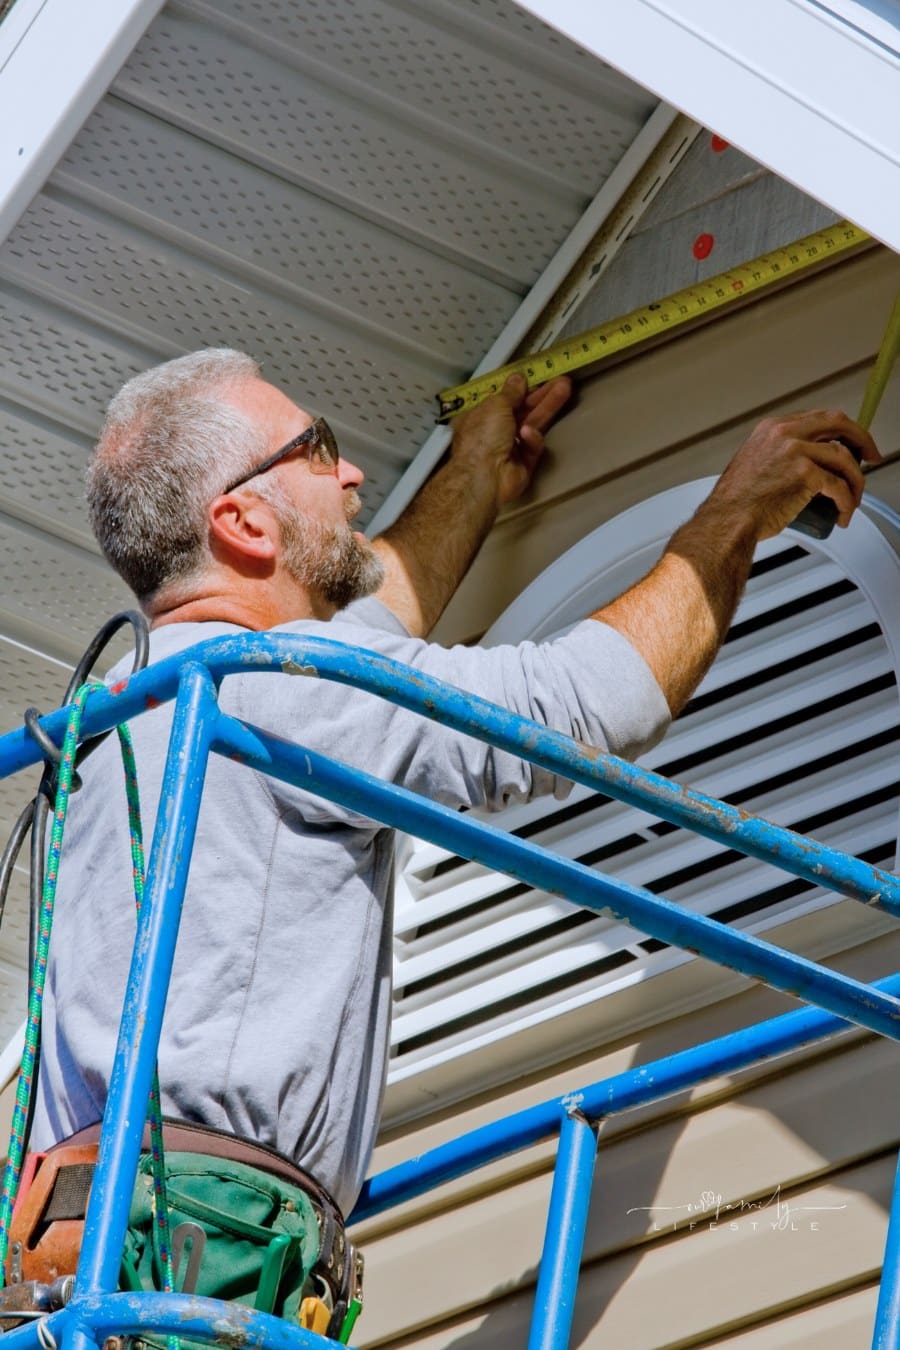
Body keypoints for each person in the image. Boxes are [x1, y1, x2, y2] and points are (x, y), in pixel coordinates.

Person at [26, 349, 878, 1324]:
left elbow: (365, 618)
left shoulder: (138, 706)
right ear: (244, 521)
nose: (350, 475)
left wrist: (473, 476)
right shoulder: (272, 684)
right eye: (318, 451)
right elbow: (582, 708)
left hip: (102, 1243)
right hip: (203, 1243)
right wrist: (737, 509)